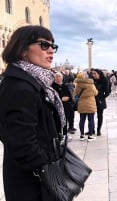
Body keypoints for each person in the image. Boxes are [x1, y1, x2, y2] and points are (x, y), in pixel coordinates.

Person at [0, 25, 63, 201]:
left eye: (53, 46)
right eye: (44, 45)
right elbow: (22, 144)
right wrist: (50, 167)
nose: (51, 51)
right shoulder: (20, 87)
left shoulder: (33, 82)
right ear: (23, 50)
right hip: (32, 185)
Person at [74, 72, 98, 141]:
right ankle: (90, 136)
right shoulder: (91, 84)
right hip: (90, 104)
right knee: (91, 120)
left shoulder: (78, 85)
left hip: (81, 104)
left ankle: (82, 135)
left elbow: (75, 93)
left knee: (82, 119)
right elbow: (96, 93)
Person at [52, 72, 73, 139]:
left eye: (59, 76)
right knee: (57, 121)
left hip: (66, 106)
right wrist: (61, 98)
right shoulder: (53, 86)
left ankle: (64, 134)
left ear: (62, 78)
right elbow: (53, 97)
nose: (58, 78)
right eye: (57, 76)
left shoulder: (65, 86)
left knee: (65, 121)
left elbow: (69, 96)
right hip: (57, 107)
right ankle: (58, 135)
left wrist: (68, 98)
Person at [90, 68, 110, 136]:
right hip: (91, 100)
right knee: (91, 116)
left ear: (99, 74)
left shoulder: (104, 80)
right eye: (93, 73)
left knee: (99, 116)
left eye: (95, 73)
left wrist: (101, 99)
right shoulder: (91, 80)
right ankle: (91, 129)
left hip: (100, 101)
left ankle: (98, 130)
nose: (93, 75)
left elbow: (107, 92)